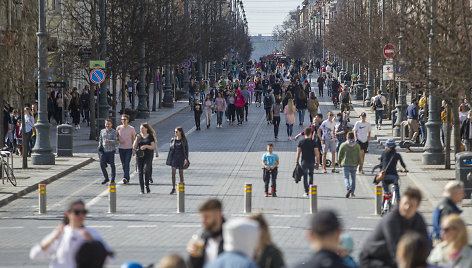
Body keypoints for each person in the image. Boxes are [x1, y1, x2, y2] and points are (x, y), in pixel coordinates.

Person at [359, 187, 430, 268]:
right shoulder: (391, 219)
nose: (407, 207)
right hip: (373, 259)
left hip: (394, 259)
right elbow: (395, 249)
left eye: (411, 205)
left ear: (417, 207)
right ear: (400, 202)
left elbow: (425, 242)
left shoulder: (418, 219)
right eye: (405, 203)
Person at [30, 200, 113, 268]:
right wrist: (53, 238)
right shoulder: (60, 234)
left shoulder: (91, 234)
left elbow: (111, 259)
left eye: (84, 212)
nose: (81, 215)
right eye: (77, 212)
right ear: (68, 214)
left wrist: (94, 242)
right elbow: (35, 255)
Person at [187, 199, 224, 268]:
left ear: (218, 215)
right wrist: (192, 254)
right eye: (202, 217)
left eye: (207, 217)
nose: (203, 221)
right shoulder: (203, 237)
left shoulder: (230, 237)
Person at [379, 139, 408, 204]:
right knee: (396, 187)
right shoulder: (397, 155)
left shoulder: (383, 153)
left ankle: (384, 205)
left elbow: (381, 164)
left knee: (385, 190)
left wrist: (381, 171)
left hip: (385, 175)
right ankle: (398, 200)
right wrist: (404, 169)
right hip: (394, 175)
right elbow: (403, 164)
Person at [133, 123, 156, 194]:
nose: (141, 130)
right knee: (140, 172)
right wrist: (136, 139)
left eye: (142, 128)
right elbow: (134, 146)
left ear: (146, 128)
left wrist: (146, 146)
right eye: (140, 128)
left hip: (148, 155)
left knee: (146, 170)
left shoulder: (150, 136)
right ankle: (142, 189)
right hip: (139, 156)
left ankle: (147, 185)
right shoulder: (139, 136)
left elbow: (153, 147)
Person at [337, 132, 362, 198]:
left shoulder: (343, 145)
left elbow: (339, 154)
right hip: (354, 164)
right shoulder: (357, 146)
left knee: (346, 178)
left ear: (347, 137)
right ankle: (352, 193)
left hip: (345, 164)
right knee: (353, 179)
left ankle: (348, 188)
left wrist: (339, 162)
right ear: (353, 137)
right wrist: (360, 166)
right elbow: (360, 156)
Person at [166, 127, 189, 194]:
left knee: (180, 173)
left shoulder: (184, 140)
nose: (175, 133)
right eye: (175, 132)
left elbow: (186, 150)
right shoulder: (173, 140)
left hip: (181, 158)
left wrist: (186, 159)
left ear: (180, 132)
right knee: (173, 172)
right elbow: (171, 150)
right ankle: (173, 188)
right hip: (174, 157)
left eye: (176, 131)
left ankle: (181, 186)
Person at [297, 127, 317, 196]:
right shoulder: (313, 142)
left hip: (304, 161)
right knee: (311, 175)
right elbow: (317, 153)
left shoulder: (301, 142)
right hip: (312, 161)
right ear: (311, 133)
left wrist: (296, 161)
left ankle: (306, 191)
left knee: (305, 176)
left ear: (304, 133)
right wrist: (317, 162)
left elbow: (298, 152)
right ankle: (311, 190)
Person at [117, 114, 136, 185]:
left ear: (127, 120)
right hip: (121, 148)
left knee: (127, 163)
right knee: (123, 164)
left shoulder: (131, 128)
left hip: (129, 148)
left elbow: (134, 139)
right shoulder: (118, 128)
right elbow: (116, 137)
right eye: (122, 119)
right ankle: (126, 177)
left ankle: (126, 177)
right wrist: (119, 141)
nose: (123, 121)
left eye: (124, 119)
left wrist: (134, 149)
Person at [98, 119, 117, 185]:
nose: (107, 125)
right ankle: (106, 178)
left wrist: (109, 141)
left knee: (112, 164)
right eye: (106, 124)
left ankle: (113, 179)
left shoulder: (114, 131)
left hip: (111, 151)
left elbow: (115, 141)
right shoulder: (102, 131)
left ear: (111, 124)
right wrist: (99, 146)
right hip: (103, 151)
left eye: (109, 124)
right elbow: (100, 139)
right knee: (101, 164)